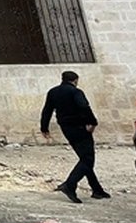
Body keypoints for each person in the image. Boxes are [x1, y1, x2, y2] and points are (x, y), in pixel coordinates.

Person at [40, 70, 109, 203]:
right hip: (80, 127)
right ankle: (70, 184)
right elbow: (84, 106)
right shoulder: (76, 92)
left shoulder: (53, 92)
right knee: (88, 159)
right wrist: (93, 122)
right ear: (75, 80)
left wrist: (44, 127)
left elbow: (47, 110)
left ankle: (97, 189)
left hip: (66, 128)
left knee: (84, 159)